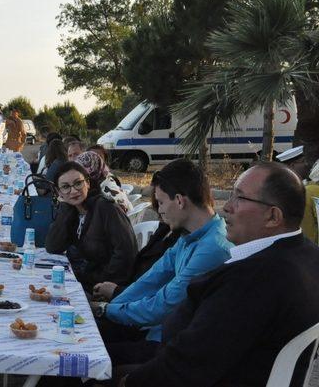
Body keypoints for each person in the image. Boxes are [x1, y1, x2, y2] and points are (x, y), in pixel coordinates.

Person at [121, 162, 319, 387]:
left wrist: (127, 382)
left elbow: (189, 363)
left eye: (240, 198)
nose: (227, 208)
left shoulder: (252, 279)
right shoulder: (308, 254)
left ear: (273, 217)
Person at [93, 159, 232, 367]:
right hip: (153, 330)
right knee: (84, 333)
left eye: (160, 202)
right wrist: (110, 308)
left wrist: (107, 310)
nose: (159, 211)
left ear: (179, 200)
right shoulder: (190, 235)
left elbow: (164, 303)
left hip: (173, 347)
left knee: (85, 360)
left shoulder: (213, 247)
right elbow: (151, 279)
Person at [45, 161, 137, 292]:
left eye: (78, 183)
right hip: (84, 278)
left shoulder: (105, 207)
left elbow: (126, 253)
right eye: (65, 187)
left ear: (87, 183)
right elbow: (53, 246)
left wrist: (102, 283)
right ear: (58, 192)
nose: (73, 191)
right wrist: (65, 208)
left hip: (106, 285)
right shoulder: (73, 211)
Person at [276, 145, 319, 243]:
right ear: (292, 165)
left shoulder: (305, 186)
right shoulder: (284, 190)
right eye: (303, 161)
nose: (307, 164)